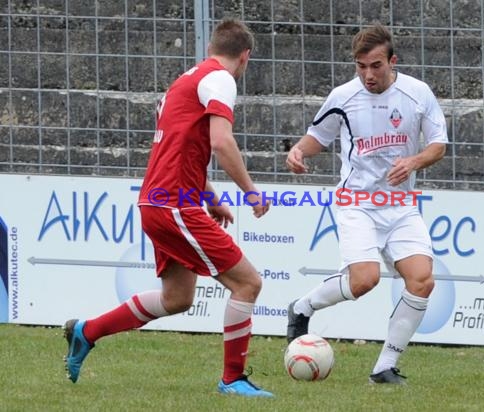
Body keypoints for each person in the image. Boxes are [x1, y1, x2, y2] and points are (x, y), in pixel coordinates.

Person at [64, 19, 274, 398]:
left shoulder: (183, 82)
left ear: (213, 47)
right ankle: (233, 379)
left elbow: (180, 149)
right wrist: (251, 192)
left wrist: (209, 197)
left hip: (158, 200)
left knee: (177, 298)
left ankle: (87, 331)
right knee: (248, 283)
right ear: (245, 56)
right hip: (174, 203)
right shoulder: (221, 80)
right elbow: (221, 142)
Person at [285, 24, 448, 385]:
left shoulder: (417, 94)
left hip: (401, 204)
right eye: (361, 66)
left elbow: (438, 143)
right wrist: (297, 151)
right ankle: (303, 307)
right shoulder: (344, 96)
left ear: (393, 61)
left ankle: (384, 367)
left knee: (422, 281)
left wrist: (414, 161)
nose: (368, 75)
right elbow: (318, 136)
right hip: (357, 202)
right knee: (365, 280)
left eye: (375, 66)